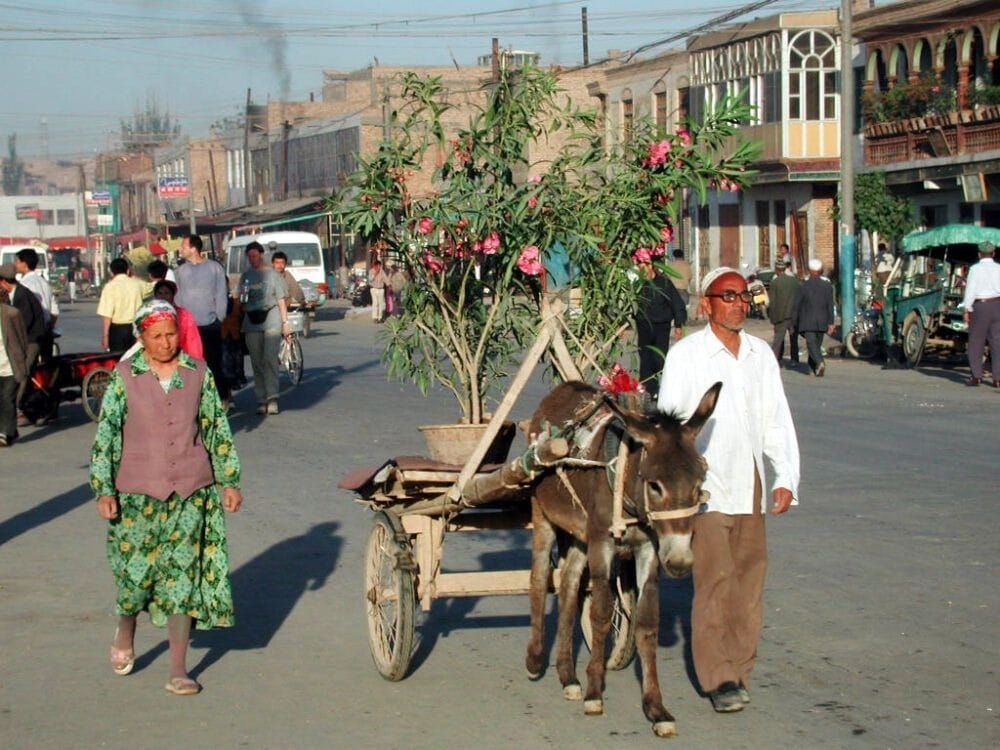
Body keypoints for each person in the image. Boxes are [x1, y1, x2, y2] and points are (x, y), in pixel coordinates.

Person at [657, 266, 799, 714]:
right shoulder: (686, 355)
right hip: (708, 489)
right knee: (716, 582)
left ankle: (740, 668)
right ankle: (718, 678)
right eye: (729, 295)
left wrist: (786, 478)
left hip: (751, 484)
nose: (739, 303)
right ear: (707, 304)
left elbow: (777, 420)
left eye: (745, 296)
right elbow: (672, 427)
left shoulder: (760, 354)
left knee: (749, 583)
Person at [91, 300, 242, 696]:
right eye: (156, 336)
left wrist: (229, 481)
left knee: (181, 581)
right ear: (141, 338)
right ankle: (126, 630)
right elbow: (106, 435)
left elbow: (215, 429)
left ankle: (178, 668)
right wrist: (104, 489)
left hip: (190, 491)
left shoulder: (197, 373)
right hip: (136, 495)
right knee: (135, 578)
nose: (165, 342)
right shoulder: (124, 377)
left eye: (171, 333)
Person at [175, 234, 230, 405]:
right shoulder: (180, 272)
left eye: (184, 246)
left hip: (210, 325)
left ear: (194, 249)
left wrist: (220, 319)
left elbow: (221, 295)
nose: (181, 249)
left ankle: (222, 398)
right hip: (188, 328)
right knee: (189, 366)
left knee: (213, 364)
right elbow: (177, 297)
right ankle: (194, 402)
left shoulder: (215, 268)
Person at [238, 241, 290, 415]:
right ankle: (261, 398)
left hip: (272, 318)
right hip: (252, 321)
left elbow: (281, 299)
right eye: (250, 256)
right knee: (257, 361)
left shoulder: (273, 275)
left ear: (261, 255)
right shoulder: (246, 276)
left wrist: (285, 323)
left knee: (269, 358)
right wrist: (243, 302)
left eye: (255, 255)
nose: (253, 259)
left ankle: (272, 397)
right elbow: (242, 299)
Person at [0, 263, 46, 424]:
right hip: (22, 340)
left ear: (4, 282)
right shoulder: (14, 295)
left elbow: (23, 325)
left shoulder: (22, 295)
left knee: (21, 373)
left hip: (31, 341)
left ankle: (16, 409)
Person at [635, 259, 687, 397]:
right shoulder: (637, 285)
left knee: (659, 358)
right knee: (645, 358)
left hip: (661, 327)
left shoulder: (664, 283)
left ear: (651, 266)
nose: (642, 271)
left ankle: (661, 387)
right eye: (639, 268)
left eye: (644, 268)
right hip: (644, 326)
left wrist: (678, 324)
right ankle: (648, 389)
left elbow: (676, 303)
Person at [961, 241, 1000, 387]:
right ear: (993, 253)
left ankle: (976, 376)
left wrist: (966, 309)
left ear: (979, 254)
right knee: (997, 342)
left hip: (981, 306)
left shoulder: (975, 269)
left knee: (976, 341)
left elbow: (970, 290)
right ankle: (997, 378)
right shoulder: (999, 268)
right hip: (997, 305)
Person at [15, 248, 58, 361]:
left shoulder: (25, 285)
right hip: (47, 332)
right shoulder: (44, 283)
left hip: (33, 335)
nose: (16, 264)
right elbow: (54, 311)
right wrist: (49, 326)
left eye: (17, 261)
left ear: (24, 264)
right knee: (46, 368)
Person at [794, 258, 836, 377]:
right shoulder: (827, 286)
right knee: (816, 345)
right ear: (820, 271)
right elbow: (830, 305)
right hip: (822, 321)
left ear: (810, 270)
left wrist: (795, 320)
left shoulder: (803, 286)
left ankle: (819, 362)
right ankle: (812, 368)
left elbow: (797, 304)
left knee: (812, 344)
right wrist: (831, 323)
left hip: (807, 321)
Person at [97, 258, 145, 352]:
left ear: (111, 272)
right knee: (136, 358)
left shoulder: (110, 287)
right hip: (136, 328)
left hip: (117, 330)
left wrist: (105, 336)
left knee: (118, 359)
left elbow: (107, 315)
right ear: (127, 270)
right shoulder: (138, 284)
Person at [0, 299, 29, 447]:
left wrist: (23, 359)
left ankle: (5, 433)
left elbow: (23, 338)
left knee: (7, 398)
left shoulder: (11, 313)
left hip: (10, 365)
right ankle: (11, 430)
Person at [153, 280, 203, 360]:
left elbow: (193, 342)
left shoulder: (184, 315)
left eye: (167, 293)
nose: (163, 297)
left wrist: (195, 364)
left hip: (180, 359)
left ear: (173, 295)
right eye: (160, 293)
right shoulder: (149, 315)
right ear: (155, 295)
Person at [768, 258, 800, 367]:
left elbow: (772, 302)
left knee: (778, 339)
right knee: (793, 339)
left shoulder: (774, 283)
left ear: (777, 270)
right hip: (793, 315)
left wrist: (772, 317)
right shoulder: (794, 281)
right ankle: (794, 359)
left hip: (780, 316)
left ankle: (776, 359)